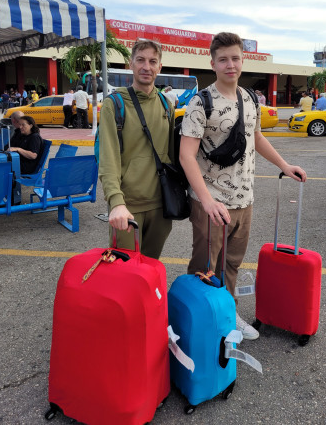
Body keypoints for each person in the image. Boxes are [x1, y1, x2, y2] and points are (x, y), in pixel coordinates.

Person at [179, 32, 307, 340]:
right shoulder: (201, 102)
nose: (230, 65)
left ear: (242, 60)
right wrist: (207, 201)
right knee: (205, 267)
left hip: (243, 199)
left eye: (235, 58)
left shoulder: (250, 98)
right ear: (213, 63)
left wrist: (284, 165)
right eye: (223, 59)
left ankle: (227, 315)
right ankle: (199, 326)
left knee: (232, 265)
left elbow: (256, 137)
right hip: (211, 202)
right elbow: (186, 155)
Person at [98, 39, 175, 259]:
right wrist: (116, 202)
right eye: (140, 60)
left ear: (160, 67)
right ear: (130, 64)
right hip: (127, 206)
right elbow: (108, 158)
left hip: (161, 206)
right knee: (124, 271)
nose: (146, 67)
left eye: (152, 61)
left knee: (150, 268)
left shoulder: (166, 105)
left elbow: (171, 156)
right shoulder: (115, 104)